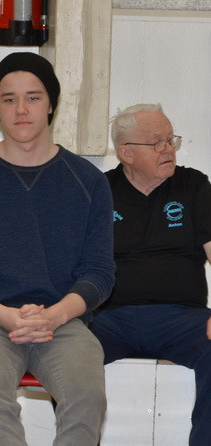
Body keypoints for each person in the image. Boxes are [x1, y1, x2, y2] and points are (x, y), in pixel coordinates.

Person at [0, 52, 116, 445]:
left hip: (63, 321)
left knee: (87, 396)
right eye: (9, 99)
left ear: (51, 104)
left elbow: (99, 271)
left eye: (33, 97)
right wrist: (1, 314)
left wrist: (55, 315)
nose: (21, 109)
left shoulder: (88, 181)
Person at [90, 103, 211, 445]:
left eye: (171, 140)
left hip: (182, 318)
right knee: (66, 351)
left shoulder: (193, 185)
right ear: (126, 152)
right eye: (157, 142)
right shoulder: (99, 190)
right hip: (109, 318)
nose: (168, 149)